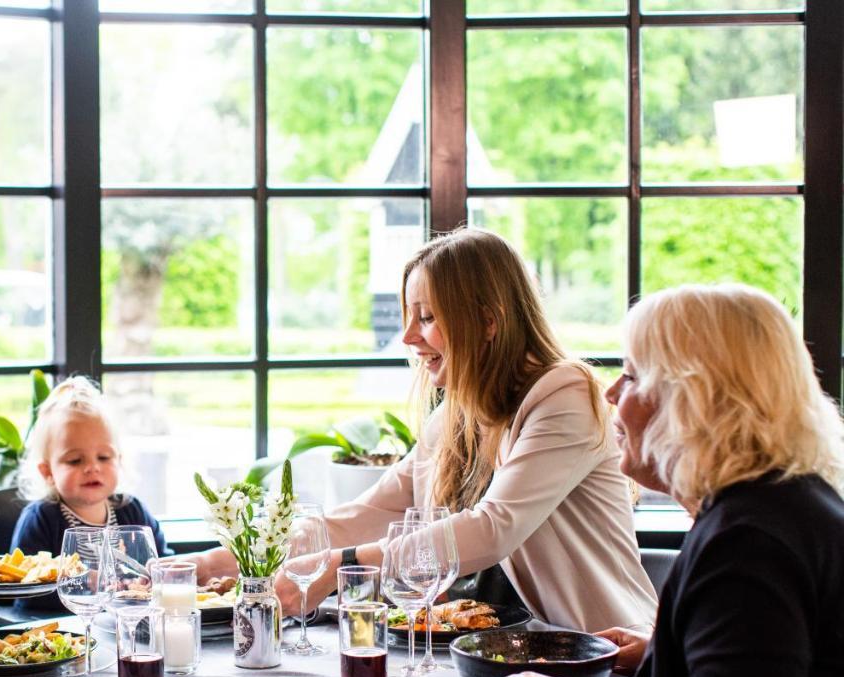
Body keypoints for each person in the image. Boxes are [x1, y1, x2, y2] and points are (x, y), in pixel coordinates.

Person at [488, 284, 844, 677]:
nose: (610, 394)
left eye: (630, 376)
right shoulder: (793, 502)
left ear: (692, 397)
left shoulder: (745, 545)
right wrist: (665, 656)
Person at [194, 227, 656, 632]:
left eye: (428, 317)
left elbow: (494, 528)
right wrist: (237, 556)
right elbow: (370, 512)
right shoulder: (456, 414)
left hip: (607, 659)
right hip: (512, 657)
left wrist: (344, 566)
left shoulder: (564, 395)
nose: (409, 337)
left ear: (488, 321)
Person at [11, 375, 168, 557]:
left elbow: (162, 567)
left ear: (119, 459)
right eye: (75, 460)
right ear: (48, 472)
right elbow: (27, 579)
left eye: (103, 457)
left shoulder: (133, 512)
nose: (93, 467)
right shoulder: (40, 520)